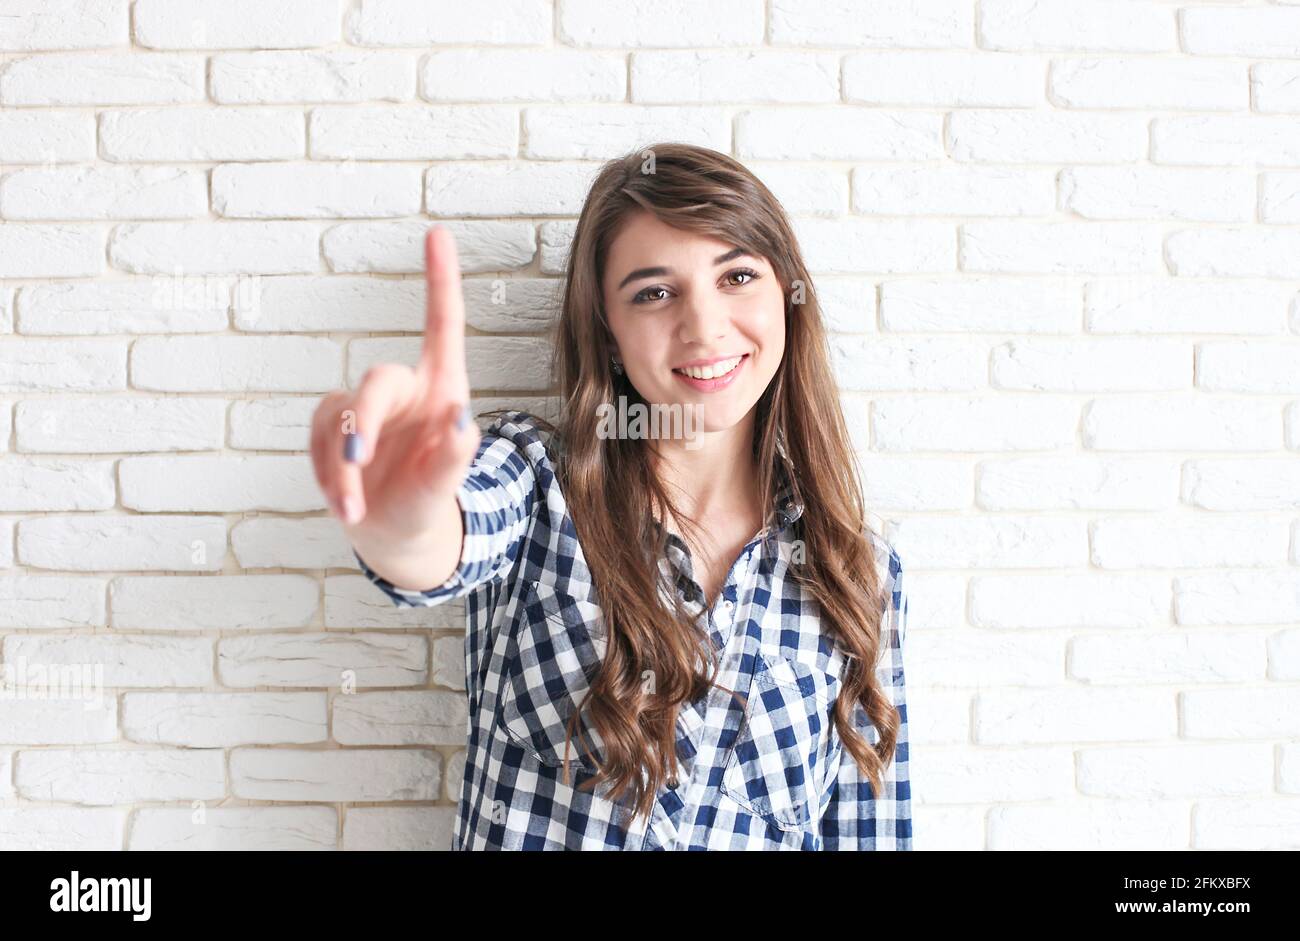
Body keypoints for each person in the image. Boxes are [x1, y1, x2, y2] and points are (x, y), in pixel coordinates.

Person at [310, 143, 912, 850]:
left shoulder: (855, 569)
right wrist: (402, 515)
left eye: (738, 276)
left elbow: (868, 830)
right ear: (608, 327)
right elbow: (438, 542)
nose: (705, 326)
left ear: (786, 295)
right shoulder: (538, 485)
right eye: (654, 292)